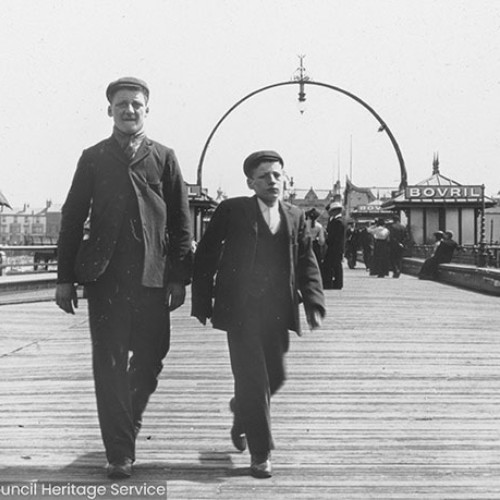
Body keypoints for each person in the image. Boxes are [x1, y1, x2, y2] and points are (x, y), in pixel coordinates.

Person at [55, 77, 192, 479]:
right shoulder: (93, 157)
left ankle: (124, 423)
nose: (128, 111)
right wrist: (65, 278)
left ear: (147, 109)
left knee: (151, 359)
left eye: (136, 104)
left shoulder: (164, 157)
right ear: (109, 110)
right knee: (109, 363)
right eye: (121, 105)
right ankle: (119, 452)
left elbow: (182, 222)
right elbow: (72, 218)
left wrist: (179, 277)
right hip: (106, 279)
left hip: (153, 277)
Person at [191, 150, 325, 479]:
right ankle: (261, 453)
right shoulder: (233, 210)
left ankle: (242, 413)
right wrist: (202, 301)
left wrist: (314, 301)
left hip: (279, 310)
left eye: (278, 175)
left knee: (276, 376)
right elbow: (206, 254)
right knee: (253, 380)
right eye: (264, 176)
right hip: (241, 309)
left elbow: (306, 260)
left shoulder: (294, 215)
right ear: (250, 182)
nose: (272, 181)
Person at [322, 202, 345, 289]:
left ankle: (337, 284)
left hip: (335, 247)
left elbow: (336, 237)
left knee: (335, 266)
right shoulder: (334, 221)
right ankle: (334, 283)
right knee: (333, 265)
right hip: (333, 246)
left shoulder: (338, 222)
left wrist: (327, 238)